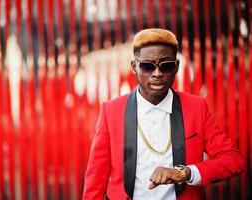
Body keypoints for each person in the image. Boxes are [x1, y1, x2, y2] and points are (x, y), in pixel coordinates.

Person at [82, 28, 245, 200]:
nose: (157, 74)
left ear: (176, 67)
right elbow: (95, 181)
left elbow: (234, 160)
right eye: (147, 66)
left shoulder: (196, 107)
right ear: (134, 67)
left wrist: (185, 173)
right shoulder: (111, 111)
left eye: (166, 66)